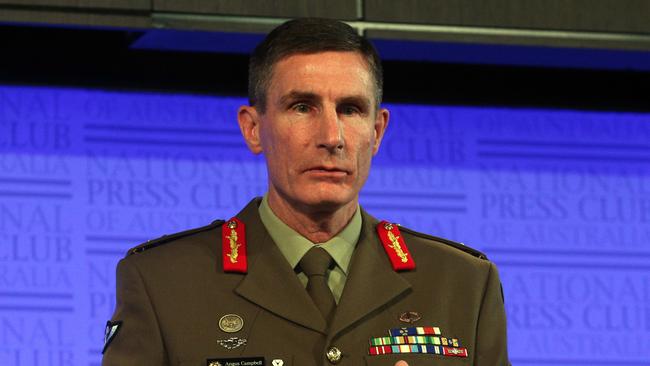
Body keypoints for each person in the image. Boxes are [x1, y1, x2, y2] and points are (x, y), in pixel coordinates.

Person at [101, 18, 510, 366]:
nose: (331, 137)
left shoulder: (463, 284)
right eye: (302, 107)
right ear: (253, 128)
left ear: (377, 131)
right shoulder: (163, 283)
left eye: (350, 109)